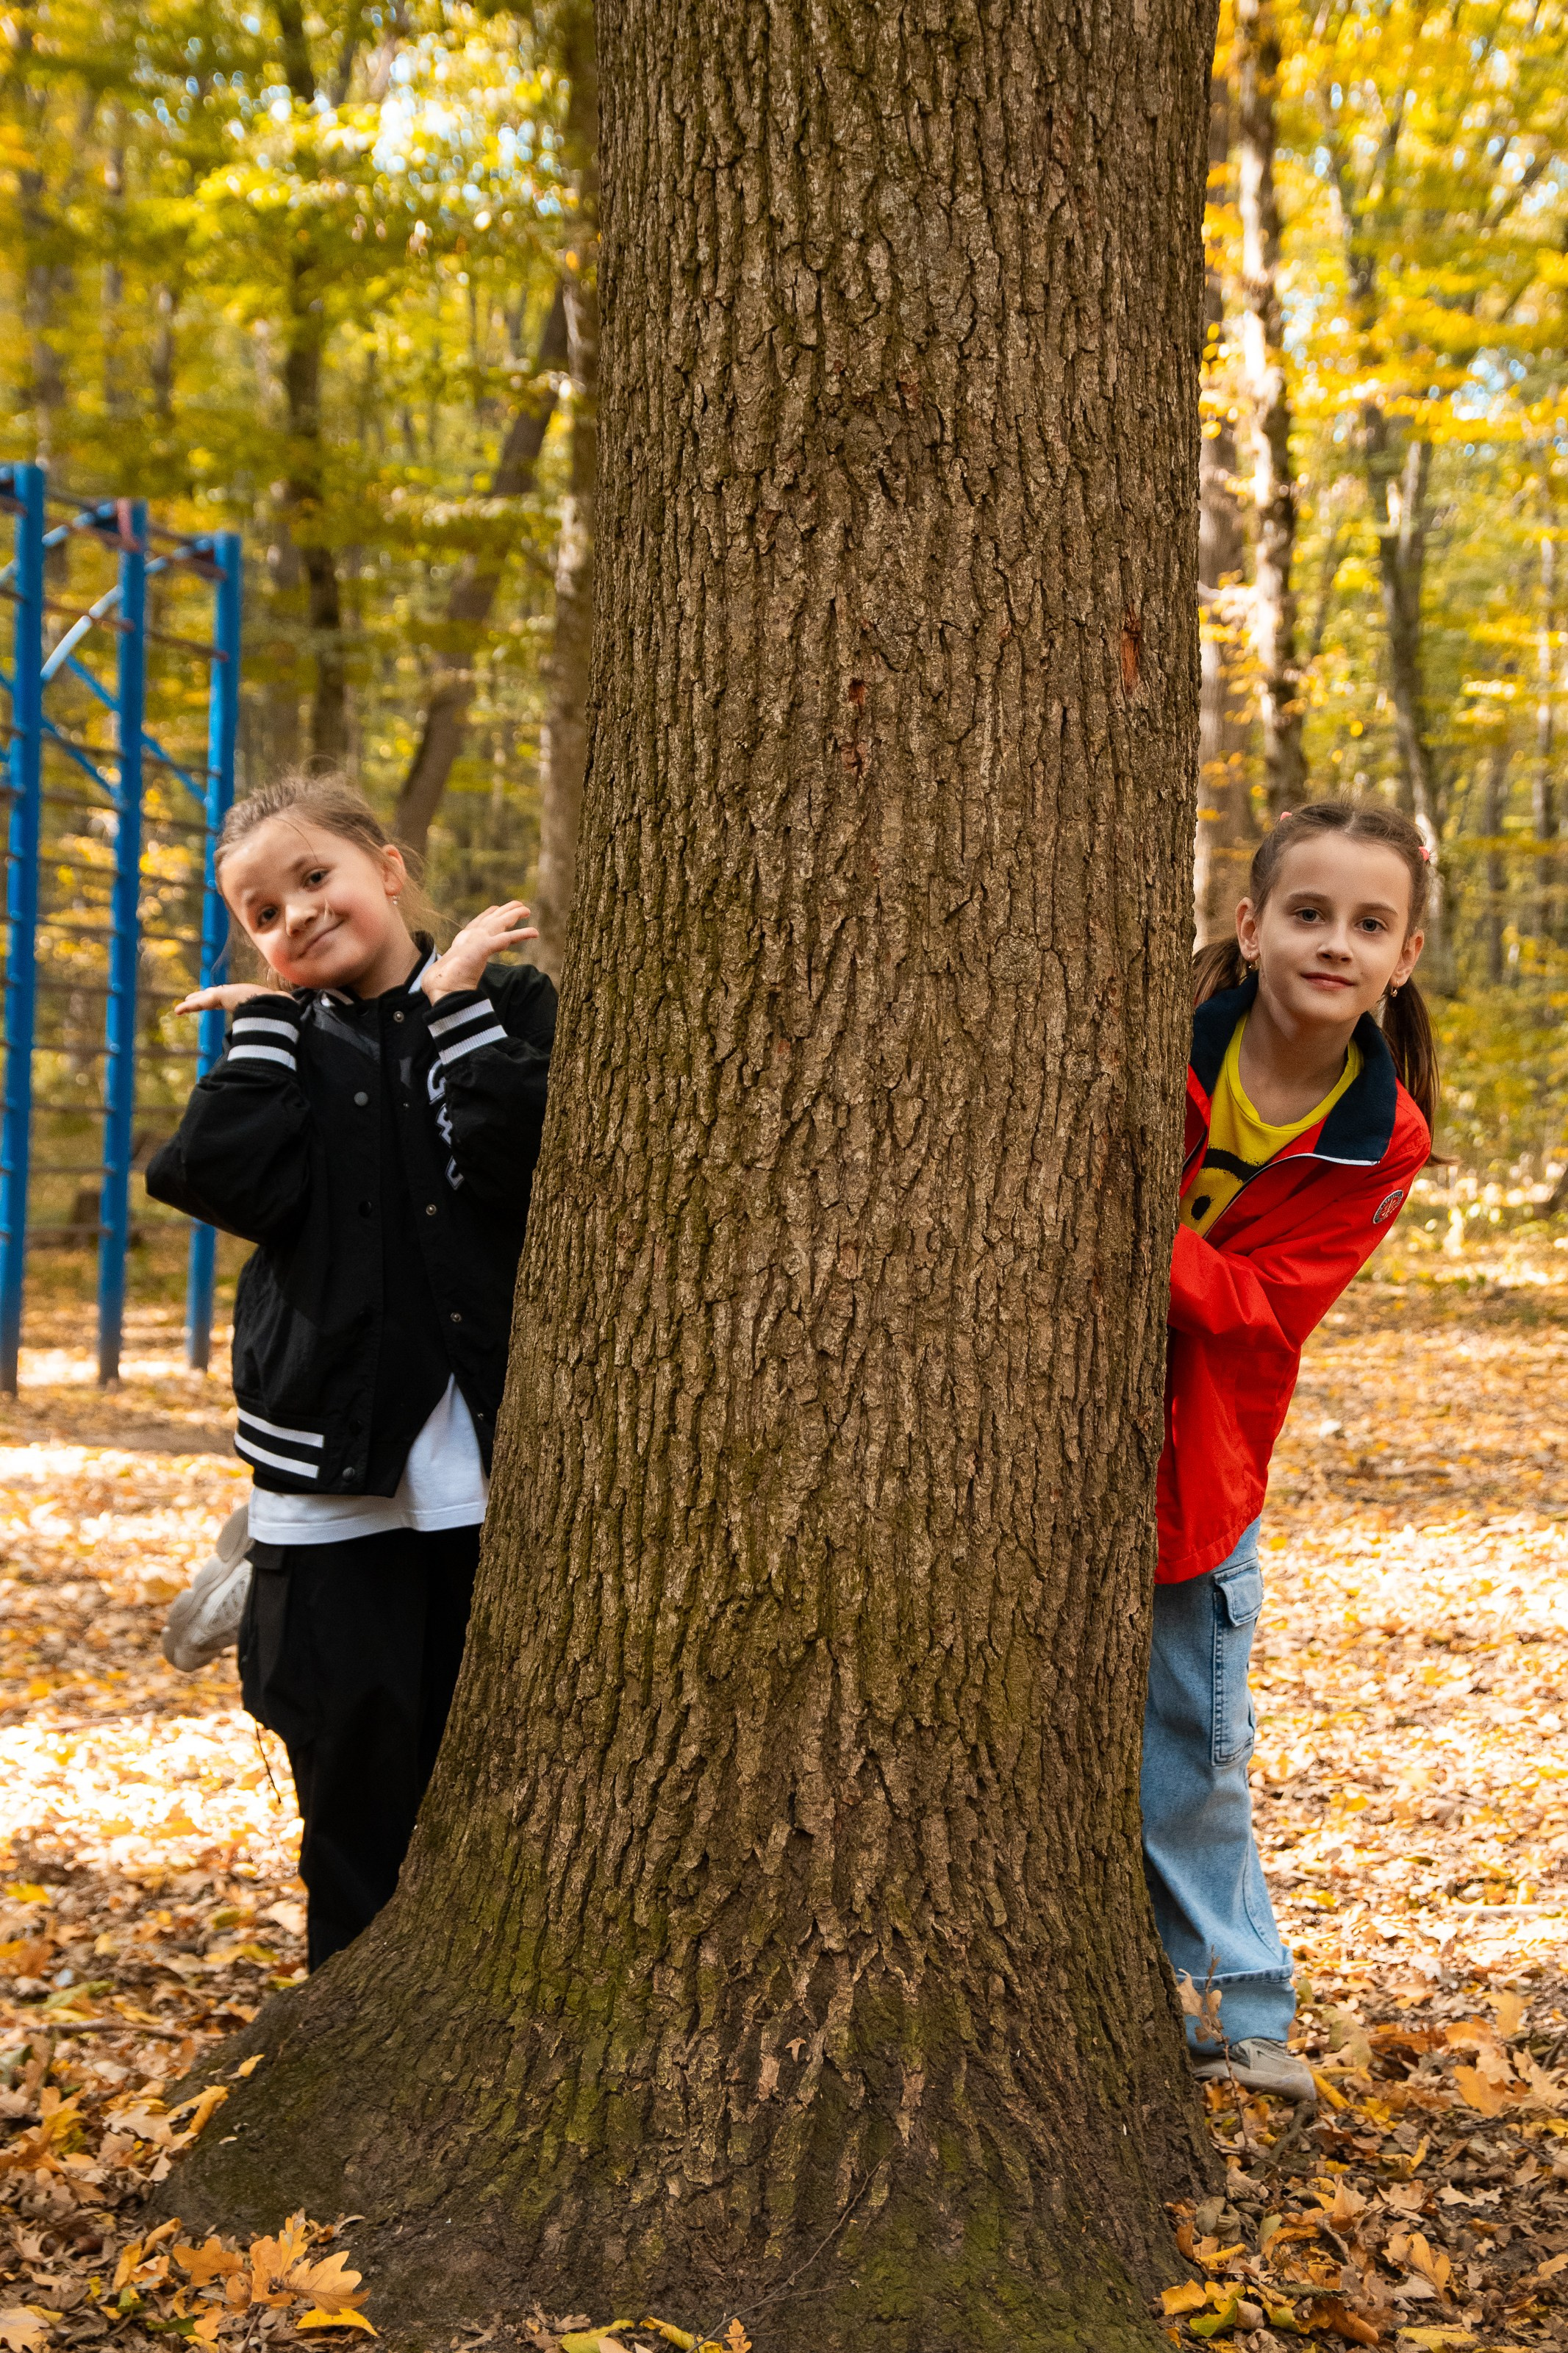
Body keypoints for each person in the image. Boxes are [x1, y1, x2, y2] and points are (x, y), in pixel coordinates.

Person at [146, 774, 555, 1969]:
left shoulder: (513, 1002)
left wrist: (451, 1004)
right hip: (330, 1483)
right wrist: (266, 1029)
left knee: (492, 1775)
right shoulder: (283, 1042)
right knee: (352, 1779)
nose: (295, 919)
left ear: (387, 864)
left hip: (490, 1469)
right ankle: (353, 2007)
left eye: (313, 878)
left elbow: (531, 1161)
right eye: (263, 914)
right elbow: (220, 1178)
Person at [1145, 799, 1436, 2104]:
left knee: (1196, 1732)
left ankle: (1240, 2005)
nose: (1334, 943)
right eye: (1307, 913)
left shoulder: (1389, 1134)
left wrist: (1133, 1243)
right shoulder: (1152, 1044)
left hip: (1205, 1442)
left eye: (1368, 924)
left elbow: (1267, 1304)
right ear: (1250, 924)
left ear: (1404, 956)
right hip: (1056, 1417)